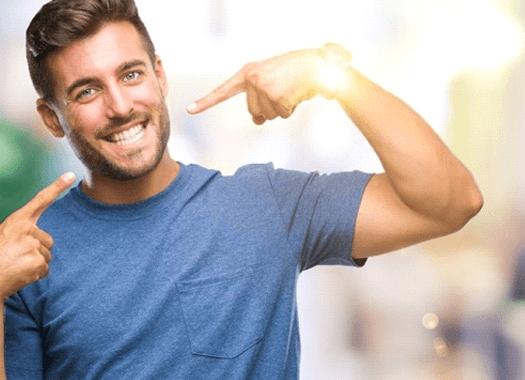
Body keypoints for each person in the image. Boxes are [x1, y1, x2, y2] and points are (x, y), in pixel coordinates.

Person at [0, 0, 483, 378]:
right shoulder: (28, 256)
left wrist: (337, 81)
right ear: (51, 119)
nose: (121, 105)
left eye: (131, 74)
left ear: (160, 75)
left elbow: (450, 202)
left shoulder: (266, 206)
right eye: (87, 90)